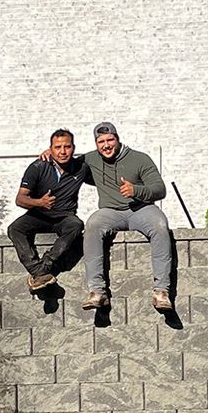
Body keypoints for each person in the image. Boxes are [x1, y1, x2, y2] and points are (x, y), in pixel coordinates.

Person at [77, 121, 174, 312]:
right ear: (96, 144)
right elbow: (65, 162)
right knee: (93, 224)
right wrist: (48, 155)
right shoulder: (89, 159)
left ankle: (162, 291)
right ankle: (97, 292)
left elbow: (159, 189)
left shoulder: (140, 159)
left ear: (118, 139)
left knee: (160, 224)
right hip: (111, 212)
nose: (106, 145)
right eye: (101, 141)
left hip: (141, 209)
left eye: (110, 140)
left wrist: (136, 190)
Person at [8, 129, 86, 290]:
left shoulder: (82, 167)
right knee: (15, 228)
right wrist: (39, 202)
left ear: (74, 148)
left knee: (76, 225)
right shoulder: (37, 167)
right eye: (57, 147)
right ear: (50, 149)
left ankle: (44, 267)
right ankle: (37, 271)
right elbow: (20, 199)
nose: (63, 152)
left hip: (64, 217)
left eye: (67, 147)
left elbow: (101, 157)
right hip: (38, 215)